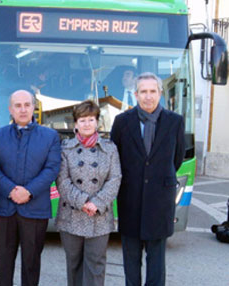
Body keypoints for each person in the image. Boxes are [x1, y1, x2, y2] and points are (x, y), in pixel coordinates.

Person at [110, 72, 185, 286]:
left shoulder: (175, 122)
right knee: (131, 261)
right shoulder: (122, 122)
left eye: (153, 91)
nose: (148, 96)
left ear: (160, 93)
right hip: (130, 200)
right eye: (143, 91)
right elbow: (115, 158)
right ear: (136, 94)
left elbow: (176, 159)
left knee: (157, 262)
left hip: (160, 202)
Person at [0, 90, 61, 286]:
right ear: (10, 109)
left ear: (34, 107)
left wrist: (28, 191)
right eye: (18, 105)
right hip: (4, 208)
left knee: (31, 263)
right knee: (4, 263)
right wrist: (11, 190)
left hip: (35, 209)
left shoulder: (50, 136)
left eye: (27, 105)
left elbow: (52, 168)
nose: (22, 109)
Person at [56, 100, 121, 286]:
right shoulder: (65, 148)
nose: (86, 124)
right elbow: (62, 180)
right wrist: (83, 202)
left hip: (99, 216)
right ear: (75, 124)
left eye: (91, 119)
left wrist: (97, 203)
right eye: (82, 120)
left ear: (97, 122)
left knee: (96, 266)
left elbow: (115, 179)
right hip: (71, 214)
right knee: (74, 264)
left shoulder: (110, 149)